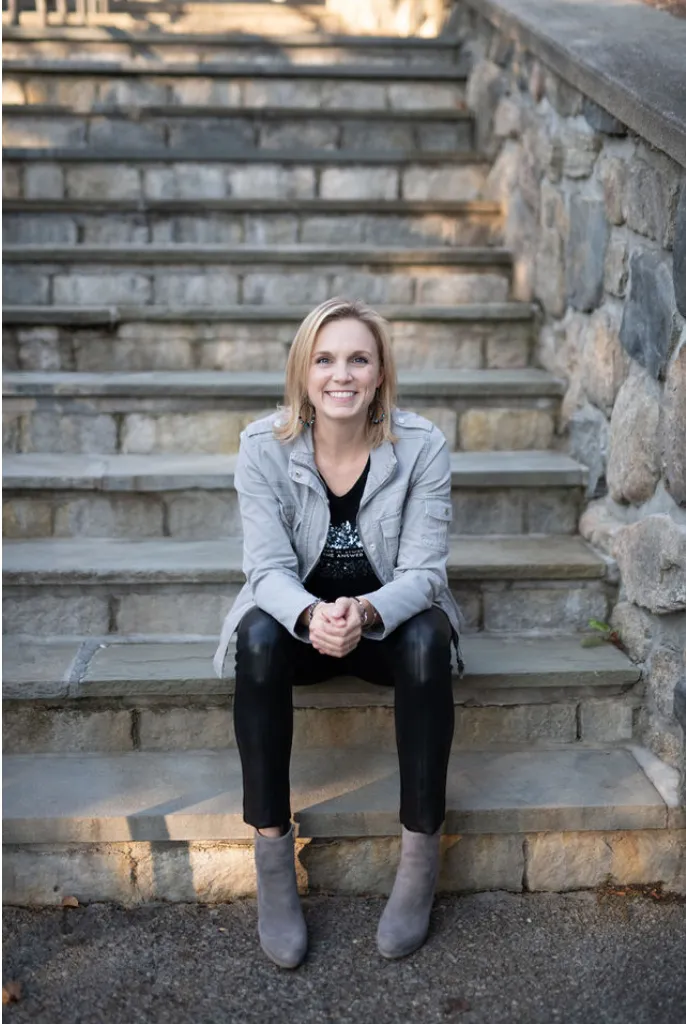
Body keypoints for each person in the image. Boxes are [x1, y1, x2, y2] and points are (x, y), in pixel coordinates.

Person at [214, 297, 463, 969]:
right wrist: (309, 616)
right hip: (301, 629)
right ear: (303, 373)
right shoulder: (261, 448)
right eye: (324, 360)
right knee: (259, 639)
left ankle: (418, 859)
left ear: (381, 373)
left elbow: (425, 572)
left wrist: (368, 613)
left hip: (383, 626)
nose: (341, 375)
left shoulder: (423, 447)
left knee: (427, 639)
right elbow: (264, 570)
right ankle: (272, 858)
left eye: (358, 359)